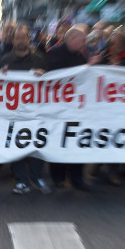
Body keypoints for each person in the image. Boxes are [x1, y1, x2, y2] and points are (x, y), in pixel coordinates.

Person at [0, 24, 51, 195]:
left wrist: (44, 74)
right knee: (16, 144)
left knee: (36, 144)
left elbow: (50, 83)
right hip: (14, 112)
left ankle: (36, 177)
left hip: (35, 111)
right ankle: (21, 180)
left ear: (29, 39)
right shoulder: (5, 59)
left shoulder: (39, 59)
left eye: (24, 37)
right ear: (13, 40)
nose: (21, 40)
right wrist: (1, 74)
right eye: (18, 37)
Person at [45, 24, 90, 191]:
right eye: (82, 40)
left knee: (76, 144)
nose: (84, 43)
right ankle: (58, 177)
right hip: (57, 109)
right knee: (58, 143)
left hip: (76, 110)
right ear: (72, 38)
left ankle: (77, 178)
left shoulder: (81, 57)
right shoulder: (53, 54)